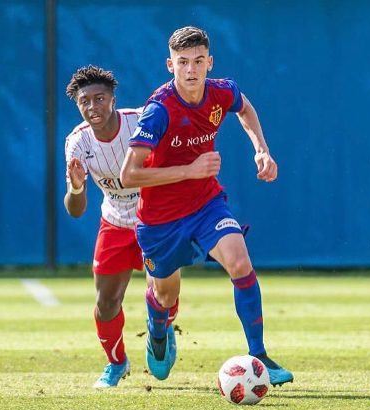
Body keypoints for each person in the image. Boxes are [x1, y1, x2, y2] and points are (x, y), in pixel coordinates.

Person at [120, 26, 294, 386]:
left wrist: (261, 150)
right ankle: (158, 329)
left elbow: (244, 108)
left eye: (198, 61)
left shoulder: (221, 91)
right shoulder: (158, 110)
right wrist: (190, 169)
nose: (191, 69)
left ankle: (259, 355)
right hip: (160, 219)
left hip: (205, 203)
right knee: (166, 294)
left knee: (240, 262)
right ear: (170, 65)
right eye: (183, 62)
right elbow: (128, 175)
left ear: (209, 62)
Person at [64, 65, 179, 388]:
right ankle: (117, 363)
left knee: (163, 293)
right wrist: (77, 188)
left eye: (100, 98)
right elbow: (75, 210)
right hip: (114, 223)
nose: (93, 107)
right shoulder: (77, 142)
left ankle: (161, 328)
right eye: (85, 101)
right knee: (105, 304)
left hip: (155, 219)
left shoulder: (140, 122)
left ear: (113, 99)